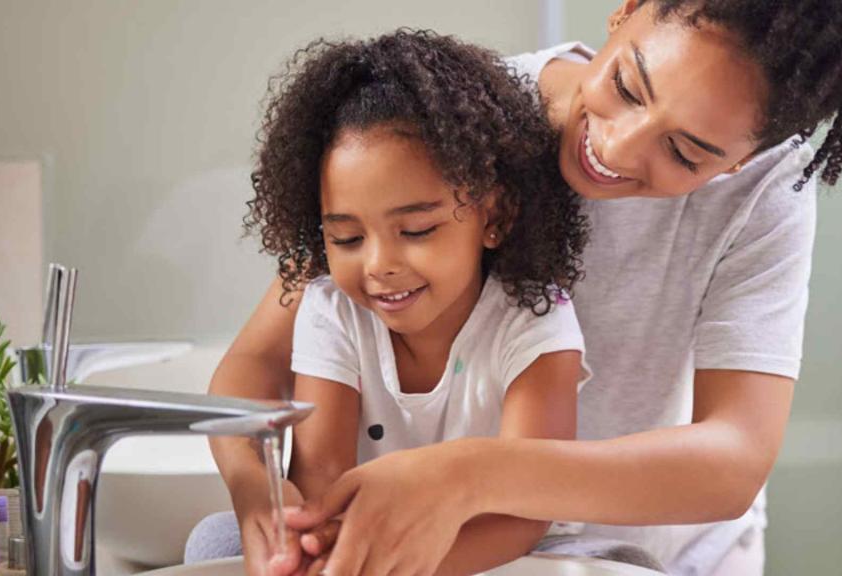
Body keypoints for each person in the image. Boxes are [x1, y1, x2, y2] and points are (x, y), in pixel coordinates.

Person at [201, 1, 842, 575]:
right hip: (469, 546)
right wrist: (256, 494)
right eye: (629, 86)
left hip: (650, 557)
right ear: (626, 11)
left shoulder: (764, 195)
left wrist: (466, 475)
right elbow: (254, 365)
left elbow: (734, 459)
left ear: (744, 159)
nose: (615, 147)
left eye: (687, 152)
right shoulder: (455, 123)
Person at [195, 30, 593, 575]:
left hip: (502, 551)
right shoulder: (333, 311)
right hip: (373, 544)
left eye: (416, 229)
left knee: (614, 561)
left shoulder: (535, 322)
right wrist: (310, 546)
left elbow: (525, 516)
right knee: (213, 541)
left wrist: (408, 566)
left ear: (494, 217)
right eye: (348, 239)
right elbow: (321, 480)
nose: (379, 264)